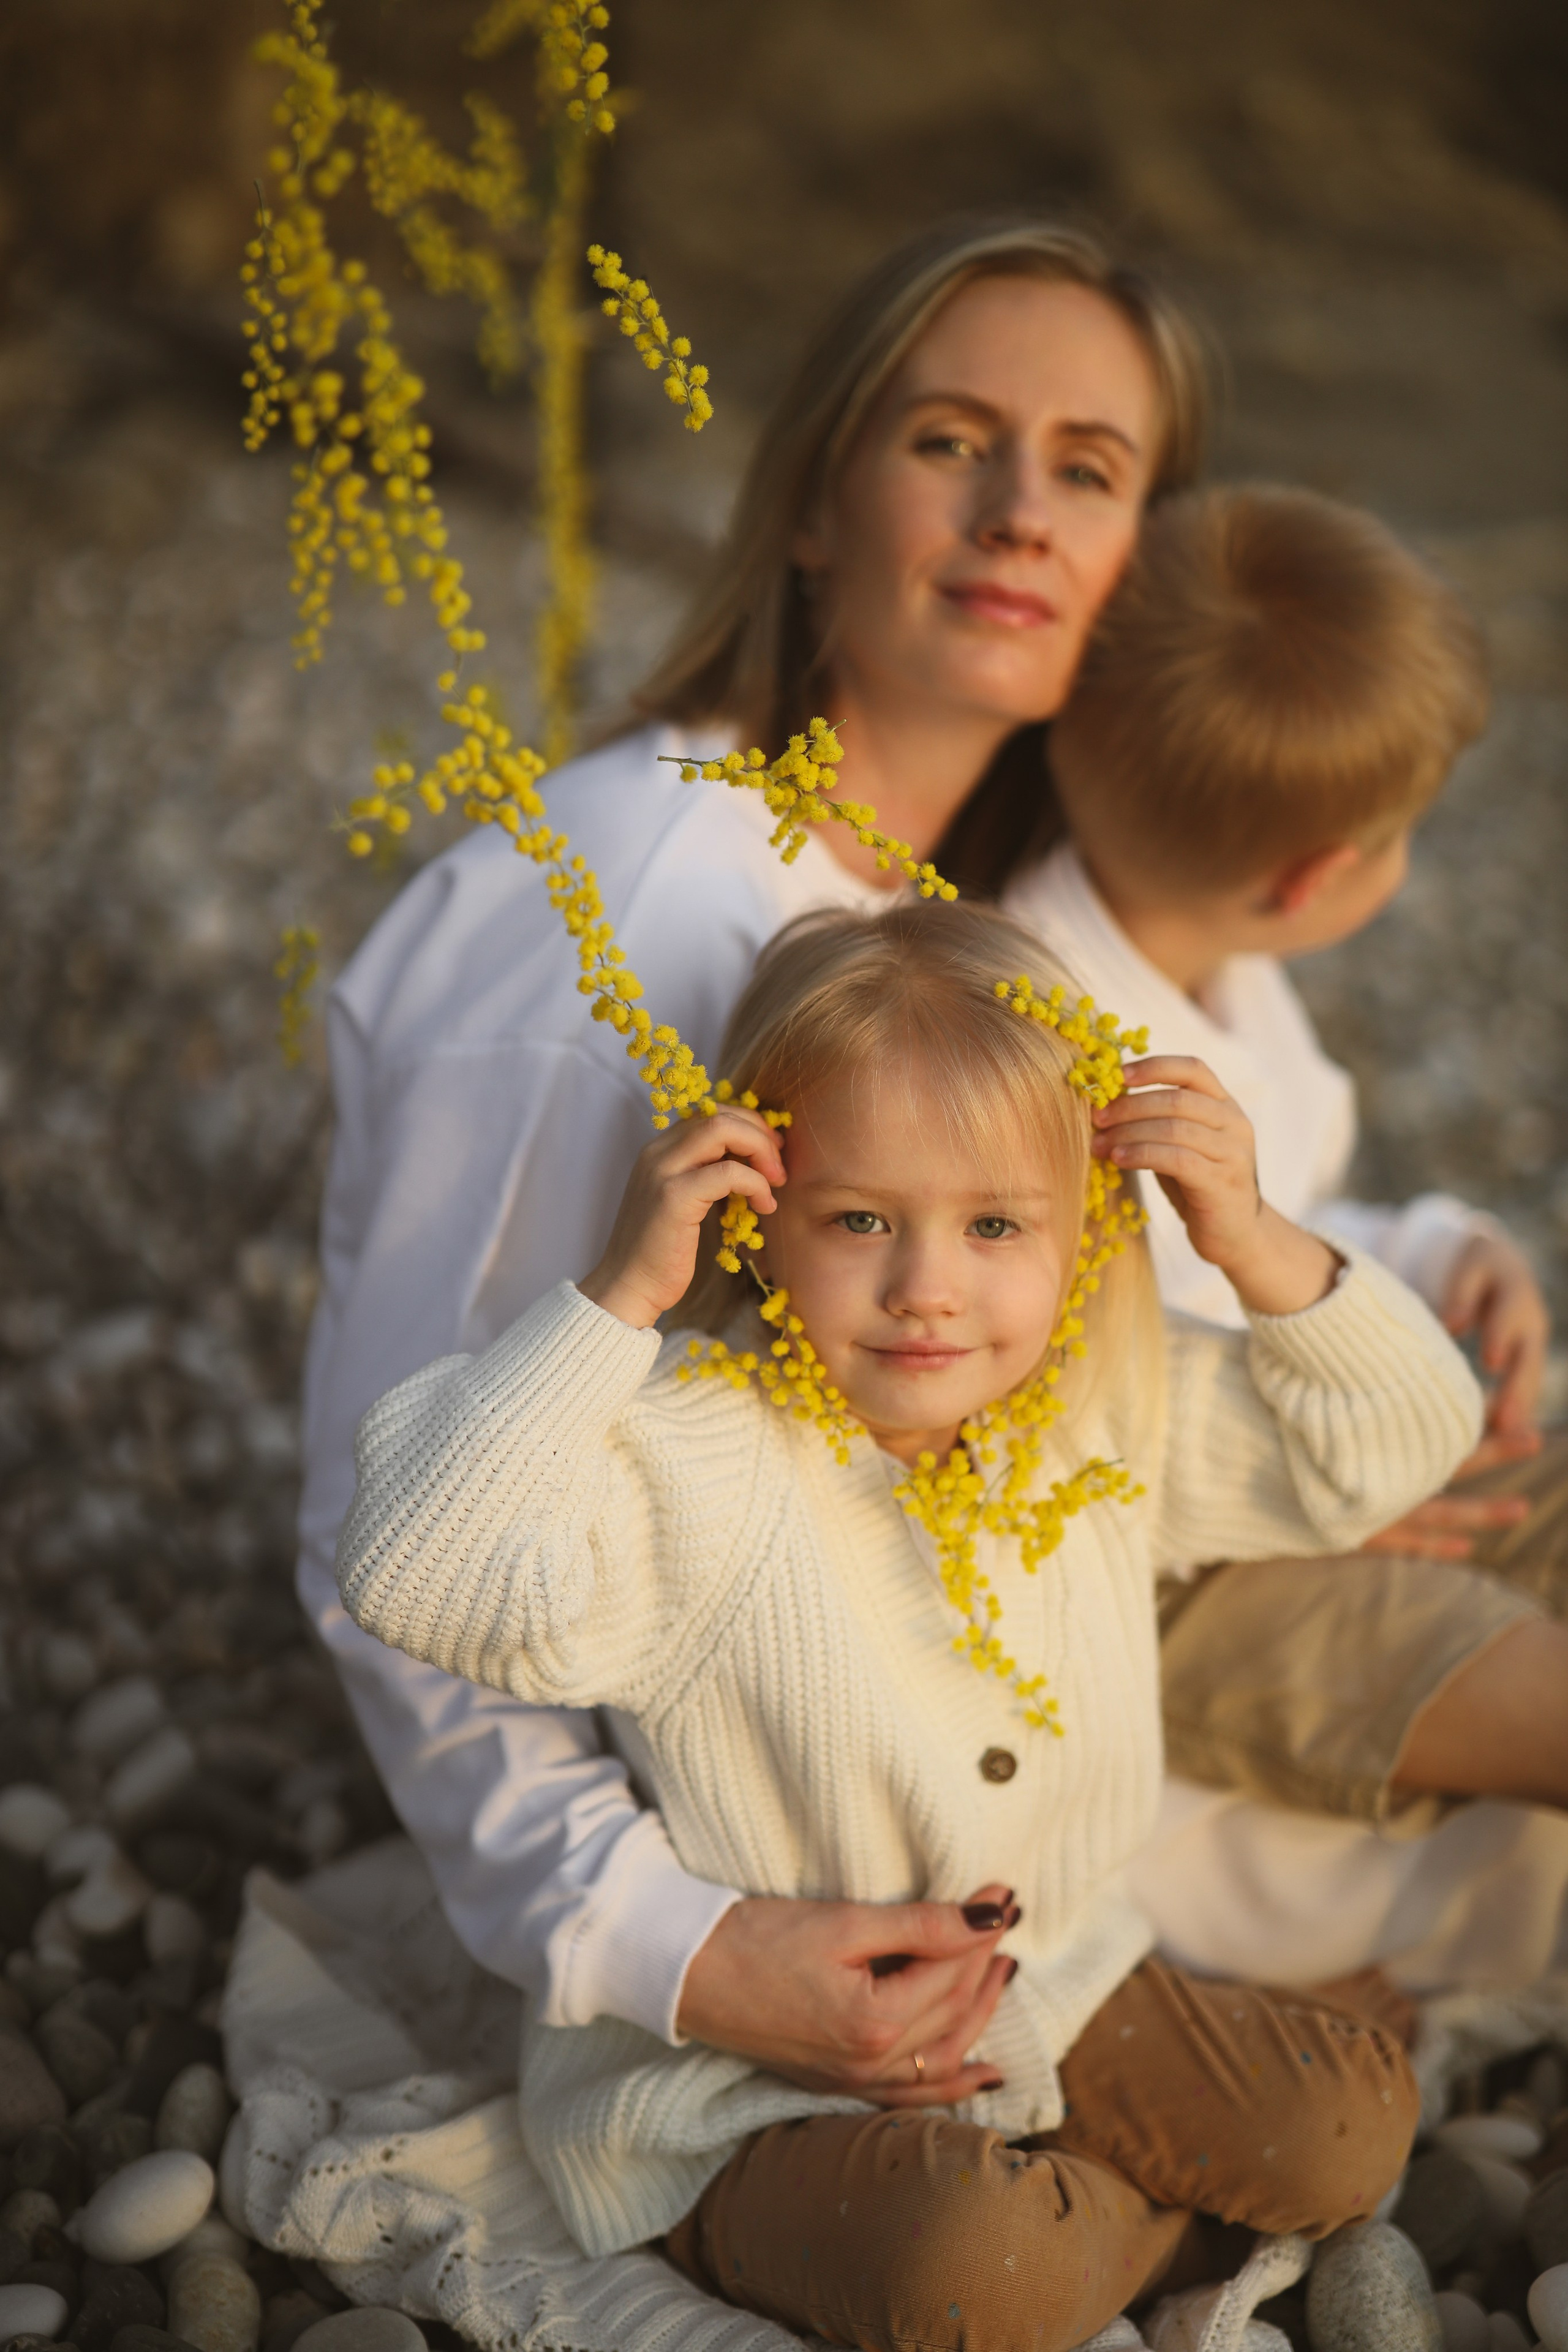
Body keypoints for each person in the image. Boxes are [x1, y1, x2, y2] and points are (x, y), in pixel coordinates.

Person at [298, 214, 1213, 2102]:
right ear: (812, 503)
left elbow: (1166, 1220)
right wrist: (684, 1951)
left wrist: (1433, 1254)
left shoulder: (983, 901)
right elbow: (381, 1525)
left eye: (1092, 470)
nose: (1023, 512)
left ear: (1136, 564)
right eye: (953, 440)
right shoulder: (617, 924)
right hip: (765, 1797)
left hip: (1032, 1698)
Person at [332, 898, 1480, 2348]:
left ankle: (1063, 2218)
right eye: (859, 1219)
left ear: (1081, 1229)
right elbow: (412, 1567)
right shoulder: (699, 1457)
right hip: (748, 2090)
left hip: (1051, 1983)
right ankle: (1054, 2230)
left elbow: (1399, 1444)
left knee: (1350, 2128)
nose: (926, 1288)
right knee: (978, 2274)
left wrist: (1250, 1243)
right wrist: (619, 1296)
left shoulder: (1098, 1408)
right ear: (756, 1213)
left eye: (995, 1225)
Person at [1003, 484, 1567, 1976]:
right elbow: (1056, 1410)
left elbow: (1285, 1218)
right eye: (1399, 839)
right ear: (1317, 878)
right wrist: (1329, 1485)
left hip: (1326, 1460)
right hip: (1165, 1590)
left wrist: (1440, 1247)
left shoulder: (1214, 977)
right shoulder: (1032, 1052)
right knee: (1526, 1692)